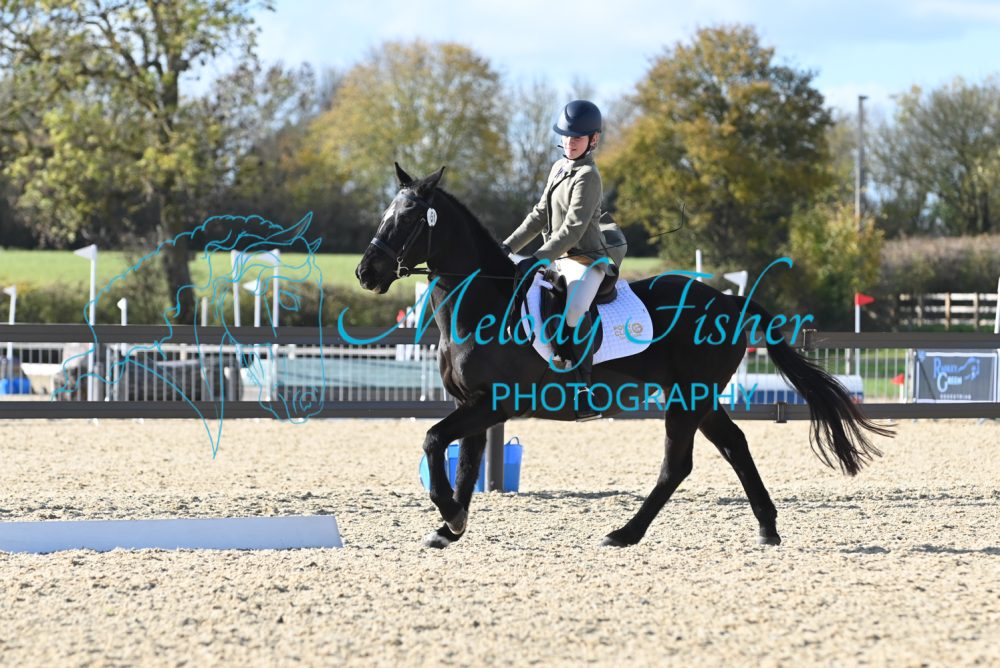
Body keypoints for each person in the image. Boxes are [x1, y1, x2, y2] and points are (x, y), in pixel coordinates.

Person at [500, 99, 619, 420]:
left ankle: (584, 390)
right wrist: (507, 246)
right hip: (557, 260)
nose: (569, 142)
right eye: (566, 136)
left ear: (593, 139)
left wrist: (538, 258)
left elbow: (572, 229)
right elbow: (539, 214)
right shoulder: (558, 168)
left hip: (586, 261)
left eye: (577, 138)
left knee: (575, 310)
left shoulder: (588, 176)